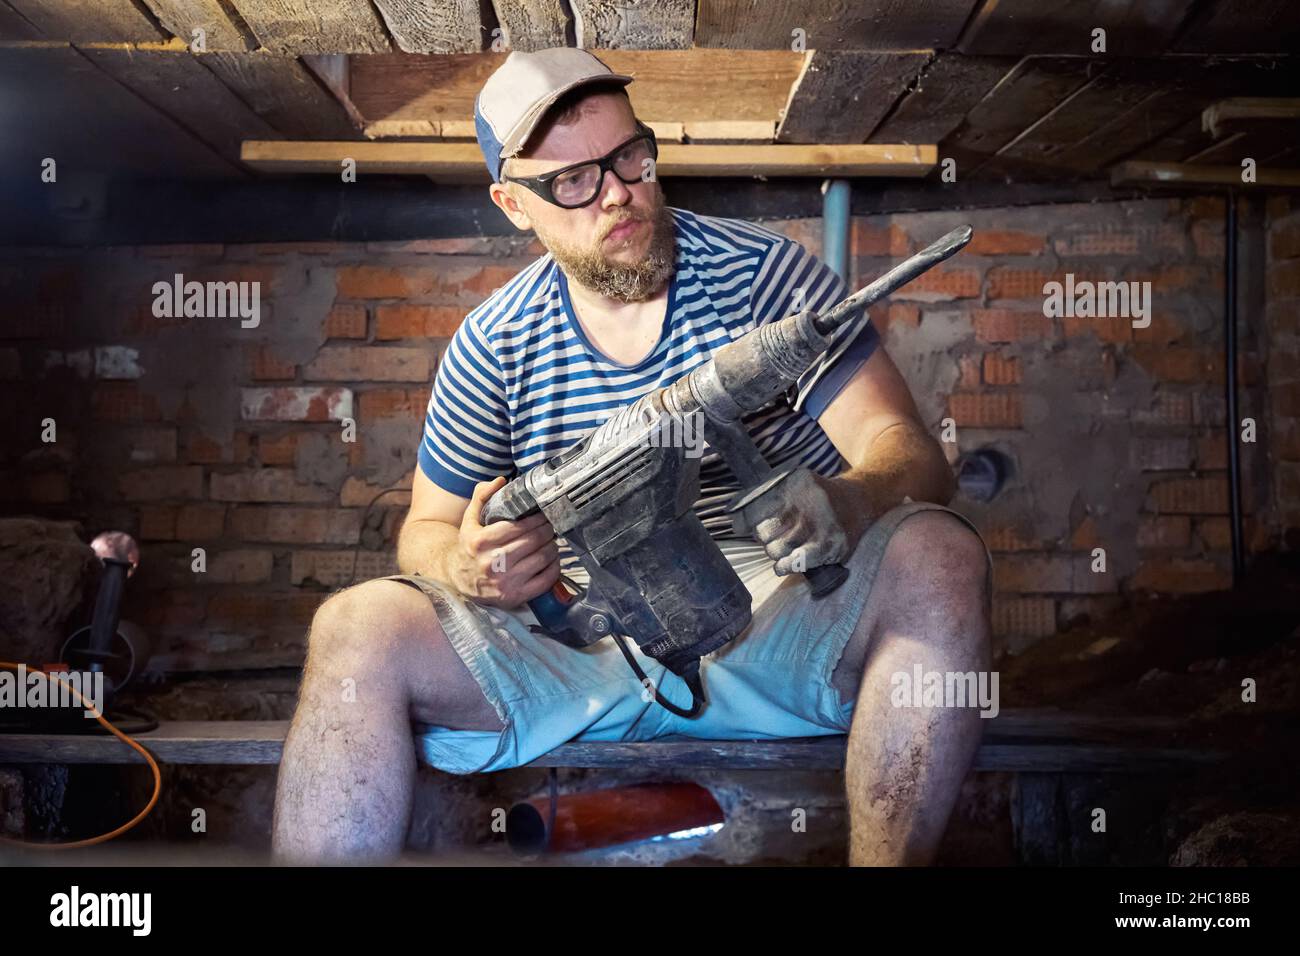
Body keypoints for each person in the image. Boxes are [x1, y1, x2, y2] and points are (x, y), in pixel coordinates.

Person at [273, 48, 993, 866]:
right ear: (513, 204)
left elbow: (909, 455)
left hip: (775, 626)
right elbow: (427, 529)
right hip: (584, 645)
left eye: (630, 157)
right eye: (572, 181)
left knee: (937, 553)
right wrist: (469, 566)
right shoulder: (495, 343)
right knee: (355, 625)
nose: (618, 190)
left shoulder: (768, 281)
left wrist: (854, 501)